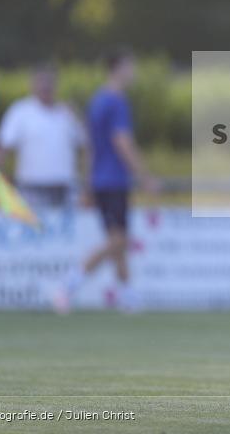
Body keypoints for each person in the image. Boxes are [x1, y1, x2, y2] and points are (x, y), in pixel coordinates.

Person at [52, 49, 159, 313]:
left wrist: (89, 182)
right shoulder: (116, 101)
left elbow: (90, 146)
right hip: (113, 180)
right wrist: (144, 176)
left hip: (101, 179)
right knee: (118, 240)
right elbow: (121, 141)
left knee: (118, 238)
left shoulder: (98, 101)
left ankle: (127, 295)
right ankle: (68, 284)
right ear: (119, 68)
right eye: (131, 67)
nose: (133, 73)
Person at [0, 64, 89, 209]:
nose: (46, 86)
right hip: (31, 188)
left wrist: (86, 186)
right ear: (32, 84)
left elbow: (86, 146)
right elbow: (3, 148)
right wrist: (2, 188)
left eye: (50, 82)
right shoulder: (20, 112)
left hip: (65, 188)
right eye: (41, 81)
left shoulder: (67, 113)